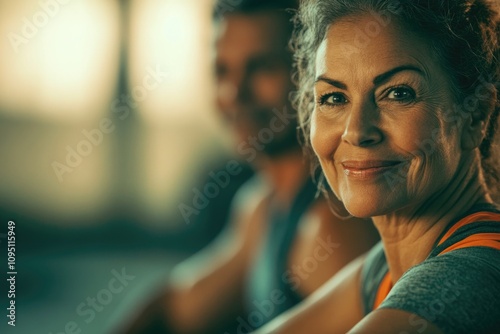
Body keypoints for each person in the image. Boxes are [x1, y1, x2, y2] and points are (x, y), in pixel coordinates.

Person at [119, 1, 379, 333]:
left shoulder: (327, 224)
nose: (234, 93)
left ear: (311, 74)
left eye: (261, 68)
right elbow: (174, 309)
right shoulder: (261, 205)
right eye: (222, 71)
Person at [253, 0, 500, 333]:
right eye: (334, 98)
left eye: (397, 93)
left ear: (475, 117)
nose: (356, 131)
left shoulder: (472, 275)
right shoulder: (384, 269)